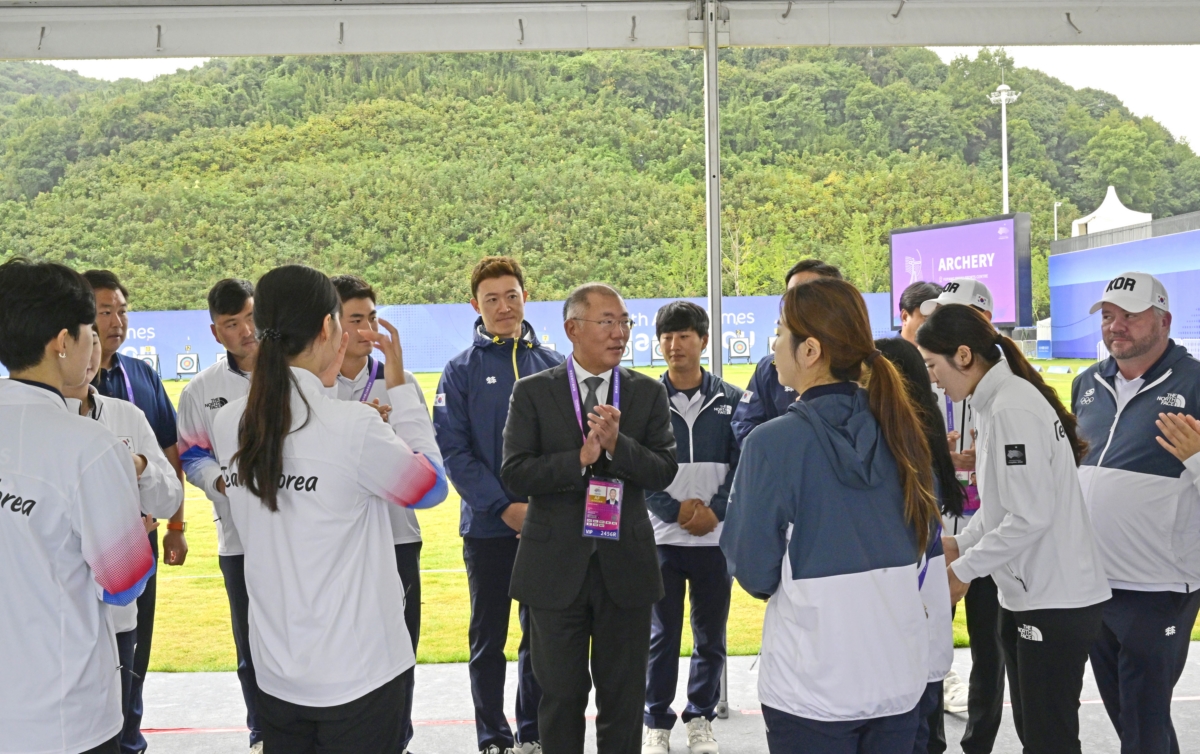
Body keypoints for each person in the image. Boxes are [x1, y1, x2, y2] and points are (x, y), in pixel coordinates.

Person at [211, 265, 447, 751]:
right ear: (327, 329)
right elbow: (431, 487)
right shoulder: (352, 426)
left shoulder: (231, 421)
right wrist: (401, 392)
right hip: (359, 675)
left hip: (277, 672)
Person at [721, 277, 938, 753]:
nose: (774, 345)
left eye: (780, 332)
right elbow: (926, 546)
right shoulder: (902, 431)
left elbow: (754, 571)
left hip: (811, 689)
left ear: (811, 350)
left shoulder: (771, 444)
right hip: (898, 682)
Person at [917, 304, 1111, 754]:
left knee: (1048, 737)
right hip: (1030, 596)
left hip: (1054, 601)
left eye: (933, 366)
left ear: (963, 355)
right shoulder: (993, 405)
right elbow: (1003, 505)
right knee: (1037, 732)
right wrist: (959, 542)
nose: (933, 379)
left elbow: (1030, 516)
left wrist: (963, 569)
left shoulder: (1010, 409)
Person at [501, 282, 678, 754]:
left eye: (624, 322)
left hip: (627, 567)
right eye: (608, 322)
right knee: (559, 697)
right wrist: (578, 459)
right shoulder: (533, 392)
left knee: (623, 699)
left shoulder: (645, 392)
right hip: (554, 570)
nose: (620, 333)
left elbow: (662, 470)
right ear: (572, 329)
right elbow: (515, 474)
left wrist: (620, 446)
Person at [0, 258, 155, 754]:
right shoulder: (89, 446)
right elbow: (124, 582)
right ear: (62, 341)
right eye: (91, 328)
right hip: (67, 716)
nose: (97, 342)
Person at [434, 256, 563, 754]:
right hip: (488, 530)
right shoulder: (459, 371)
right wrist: (504, 508)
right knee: (489, 641)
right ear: (476, 305)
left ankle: (531, 732)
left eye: (511, 295)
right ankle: (493, 737)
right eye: (492, 299)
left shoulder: (554, 365)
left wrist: (540, 509)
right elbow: (456, 453)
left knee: (542, 638)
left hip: (547, 529)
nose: (504, 307)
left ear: (525, 297)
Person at [1071, 272, 1200, 754]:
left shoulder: (1196, 383)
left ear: (1164, 320)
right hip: (1094, 581)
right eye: (1108, 316)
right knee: (1130, 718)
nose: (1116, 326)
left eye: (1130, 315)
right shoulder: (1087, 383)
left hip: (1160, 587)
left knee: (1144, 721)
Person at [84, 268, 187, 754]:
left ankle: (129, 737)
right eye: (105, 311)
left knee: (133, 642)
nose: (116, 321)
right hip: (84, 545)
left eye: (122, 311)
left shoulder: (141, 378)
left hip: (137, 538)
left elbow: (170, 455)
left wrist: (173, 524)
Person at [331, 273, 429, 754]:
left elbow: (427, 468)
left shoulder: (400, 382)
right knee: (345, 646)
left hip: (397, 536)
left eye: (372, 316)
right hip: (341, 543)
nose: (369, 328)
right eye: (356, 319)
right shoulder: (316, 390)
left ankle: (398, 740)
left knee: (400, 647)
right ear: (331, 326)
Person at [641, 301, 742, 754]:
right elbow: (636, 468)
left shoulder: (735, 400)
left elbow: (744, 467)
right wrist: (674, 510)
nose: (674, 345)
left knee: (710, 636)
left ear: (703, 340)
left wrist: (715, 510)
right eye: (667, 336)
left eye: (684, 336)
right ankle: (656, 723)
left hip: (716, 539)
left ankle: (699, 718)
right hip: (662, 537)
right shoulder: (645, 400)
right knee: (661, 637)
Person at [908, 278, 1003, 744]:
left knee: (991, 648)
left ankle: (979, 742)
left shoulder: (1013, 390)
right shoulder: (924, 378)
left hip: (995, 537)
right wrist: (936, 454)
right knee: (926, 647)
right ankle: (930, 742)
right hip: (938, 532)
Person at [175, 278, 263, 751]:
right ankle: (261, 732)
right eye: (233, 324)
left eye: (251, 317)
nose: (246, 331)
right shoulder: (201, 390)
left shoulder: (294, 372)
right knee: (249, 645)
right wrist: (220, 481)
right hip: (238, 540)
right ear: (216, 333)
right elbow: (190, 456)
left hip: (301, 534)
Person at [874, 337, 965, 754]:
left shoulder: (901, 449)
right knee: (923, 729)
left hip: (905, 628)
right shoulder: (918, 439)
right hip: (917, 631)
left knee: (914, 731)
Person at [730, 259, 842, 446]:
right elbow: (744, 424)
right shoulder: (770, 367)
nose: (796, 300)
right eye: (791, 294)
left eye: (807, 292)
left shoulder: (860, 368)